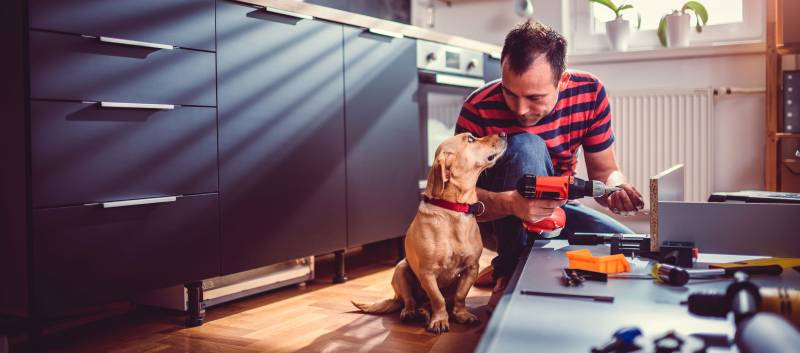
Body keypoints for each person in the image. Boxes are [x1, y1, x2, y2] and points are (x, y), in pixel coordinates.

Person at [454, 20, 645, 306]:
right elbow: (456, 199)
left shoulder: (589, 93)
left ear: (563, 81)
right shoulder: (478, 107)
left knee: (636, 253)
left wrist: (617, 188)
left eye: (534, 98)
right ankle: (510, 271)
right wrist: (511, 203)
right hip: (493, 217)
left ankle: (522, 264)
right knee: (526, 144)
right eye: (509, 92)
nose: (519, 109)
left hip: (558, 208)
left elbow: (605, 171)